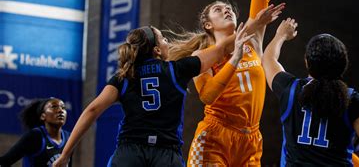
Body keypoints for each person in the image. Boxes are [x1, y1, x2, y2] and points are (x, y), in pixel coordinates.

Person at [164, 0, 276, 166]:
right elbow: (207, 97)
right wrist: (234, 59)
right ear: (207, 25)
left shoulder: (253, 38)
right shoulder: (201, 57)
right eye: (218, 9)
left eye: (228, 8)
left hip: (251, 140)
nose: (226, 9)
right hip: (215, 136)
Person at [52, 25, 254, 167]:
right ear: (157, 50)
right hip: (166, 154)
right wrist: (256, 23)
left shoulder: (124, 77)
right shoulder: (177, 70)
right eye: (163, 39)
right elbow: (221, 49)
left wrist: (65, 154)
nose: (168, 42)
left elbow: (92, 110)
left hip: (130, 152)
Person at [262, 18, 359, 166]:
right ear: (343, 64)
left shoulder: (290, 89)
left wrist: (280, 35)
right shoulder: (353, 100)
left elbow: (268, 59)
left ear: (307, 62)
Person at [0, 98, 71, 166]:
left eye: (63, 107)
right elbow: (4, 162)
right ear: (43, 116)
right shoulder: (35, 136)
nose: (60, 110)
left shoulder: (68, 137)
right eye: (54, 107)